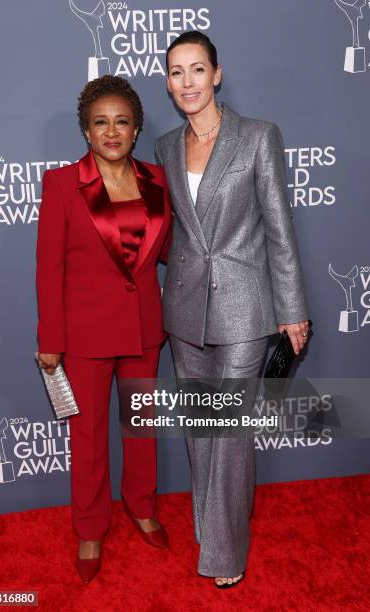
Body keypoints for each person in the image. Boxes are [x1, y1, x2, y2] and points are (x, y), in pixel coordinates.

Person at [155, 31, 309, 588]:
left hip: (246, 308)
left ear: (217, 75)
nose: (188, 82)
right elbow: (173, 233)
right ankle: (210, 525)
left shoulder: (258, 137)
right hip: (185, 309)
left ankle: (223, 556)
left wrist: (292, 310)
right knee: (202, 427)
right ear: (168, 82)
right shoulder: (166, 147)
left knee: (229, 432)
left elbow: (279, 229)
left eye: (198, 70)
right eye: (177, 72)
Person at [36, 75, 171, 583]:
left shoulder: (158, 180)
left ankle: (141, 505)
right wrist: (51, 339)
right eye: (100, 122)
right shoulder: (62, 185)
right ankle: (91, 527)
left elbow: (169, 254)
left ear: (136, 129)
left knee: (141, 430)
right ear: (86, 131)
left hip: (142, 333)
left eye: (121, 121)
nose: (111, 131)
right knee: (88, 439)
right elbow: (48, 268)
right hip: (85, 337)